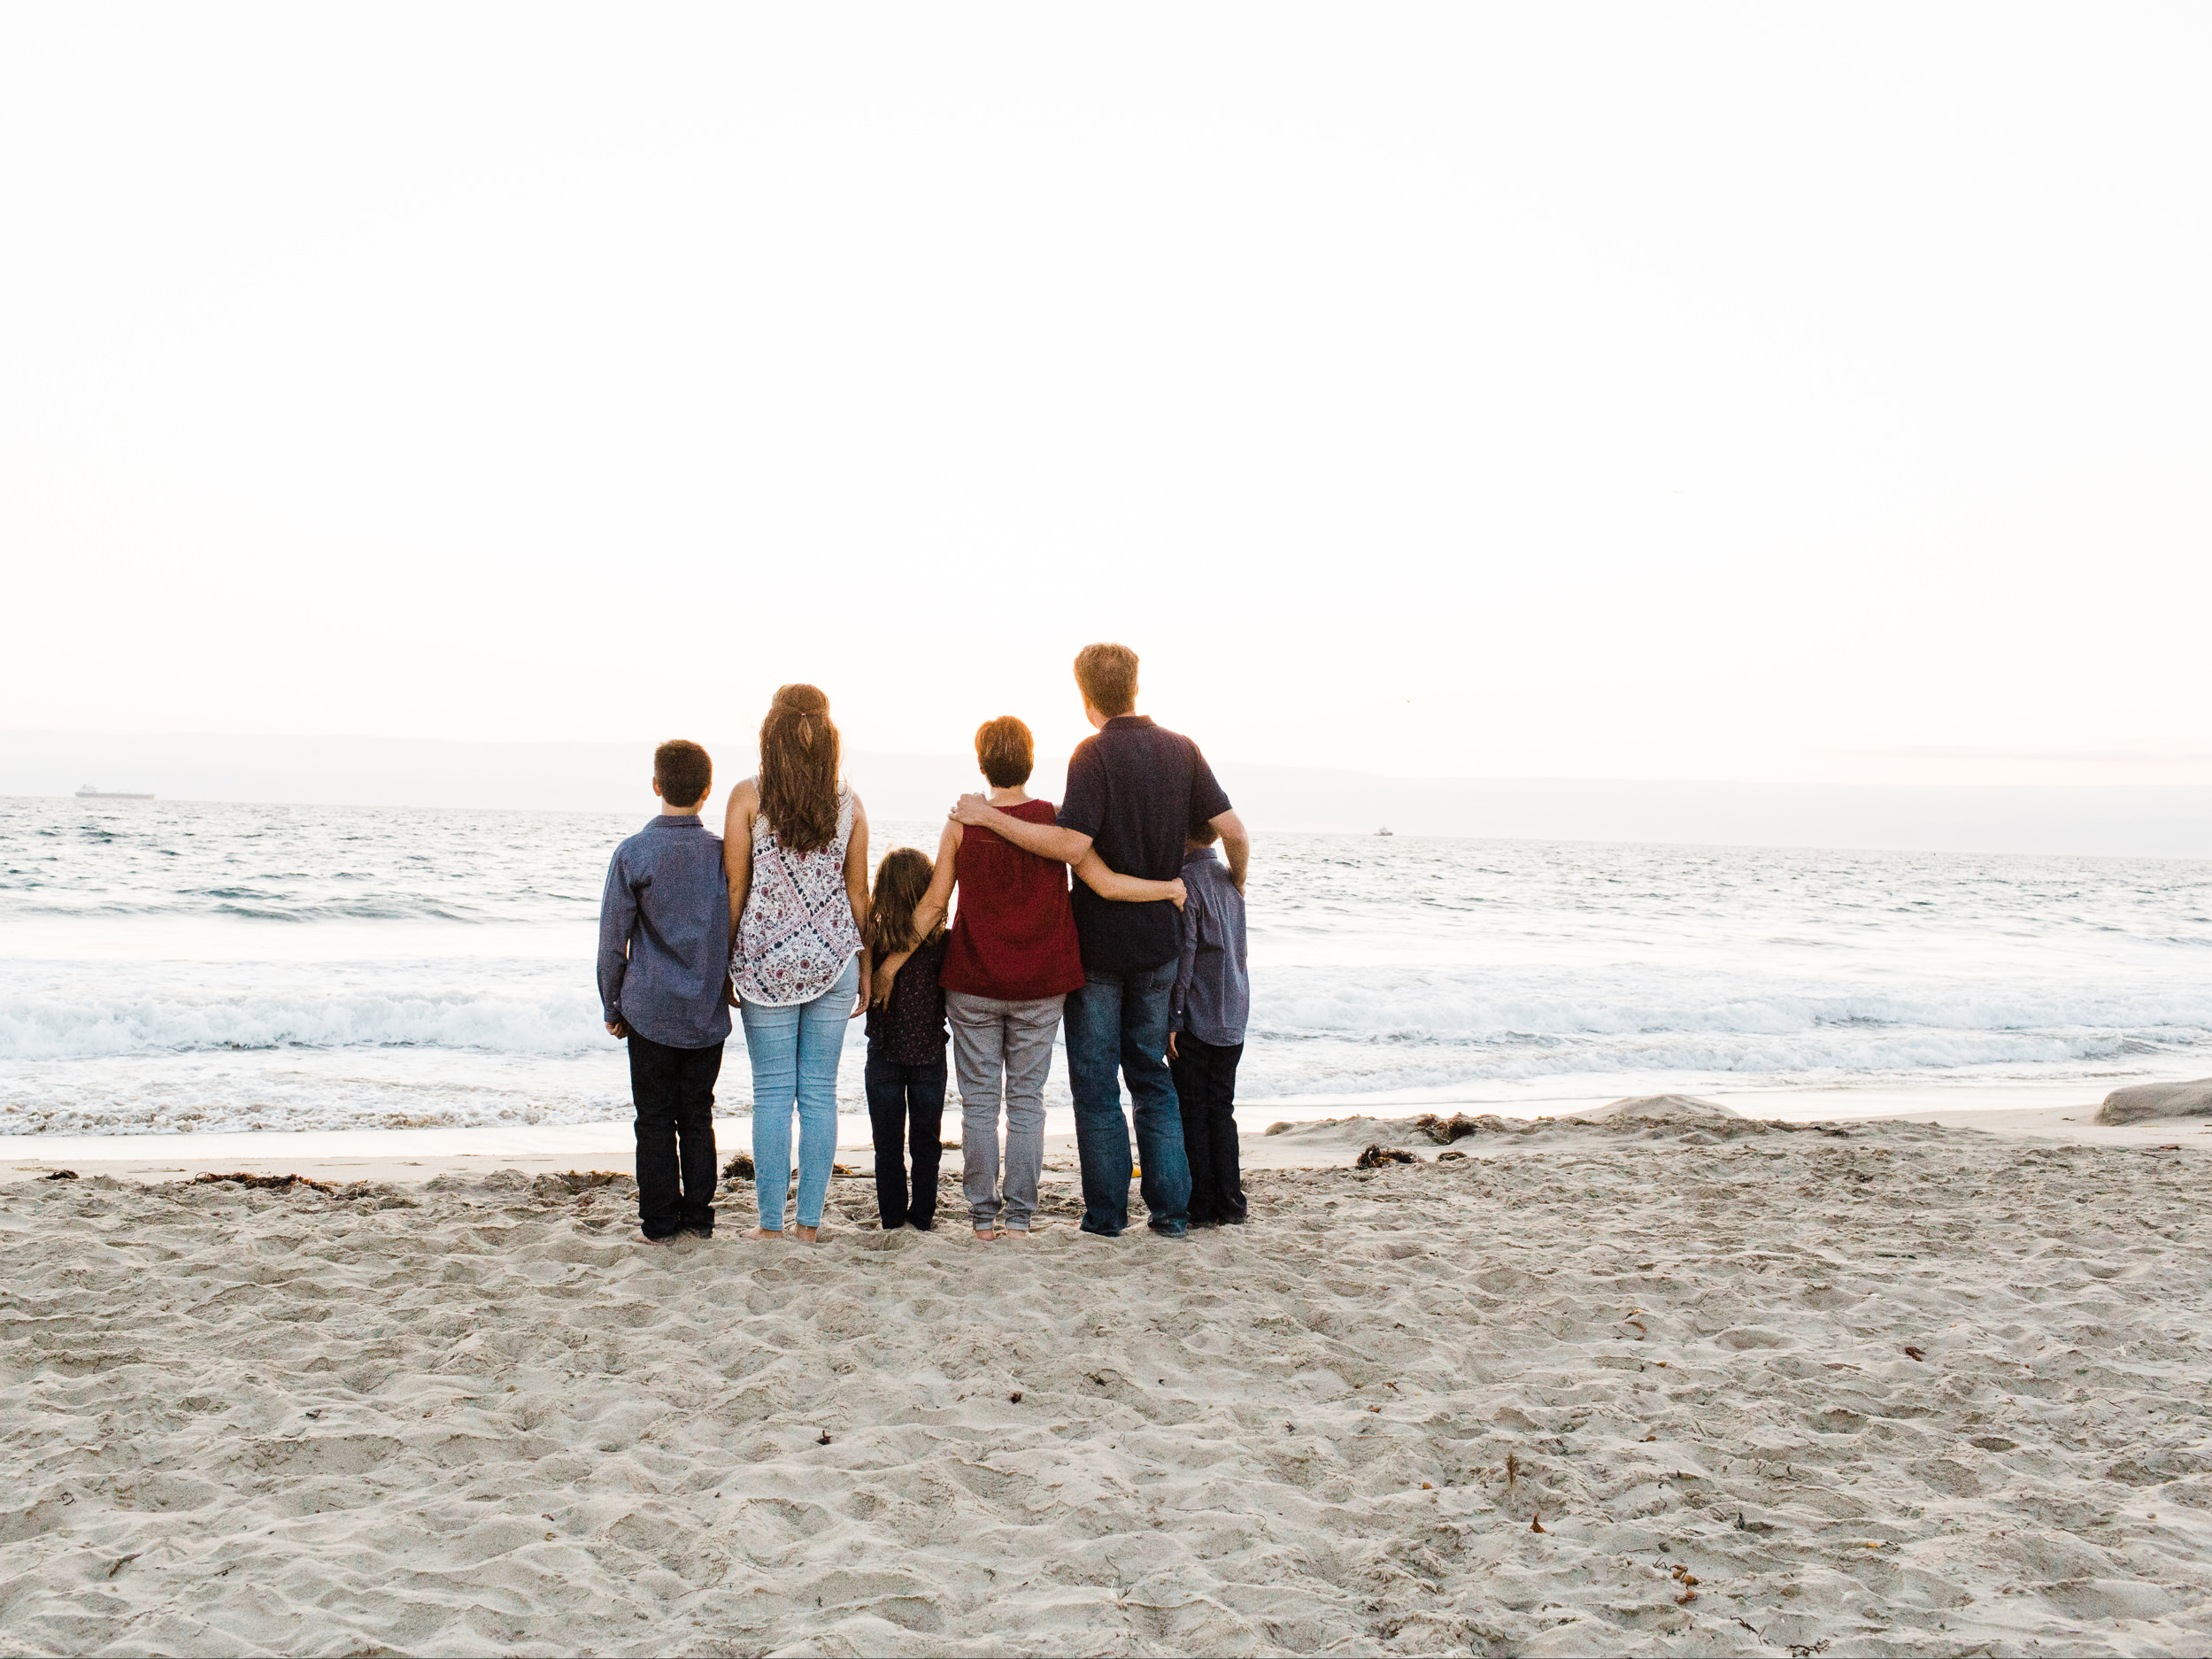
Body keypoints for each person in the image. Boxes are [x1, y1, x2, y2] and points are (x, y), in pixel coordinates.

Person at [952, 644, 1248, 1238]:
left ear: (1082, 692)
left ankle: (1107, 1218)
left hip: (1099, 944)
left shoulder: (1092, 754)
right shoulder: (1181, 748)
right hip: (1160, 941)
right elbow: (1234, 832)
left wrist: (988, 819)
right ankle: (1170, 1216)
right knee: (1151, 1077)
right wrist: (1232, 886)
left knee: (1095, 1085)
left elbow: (1068, 847)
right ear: (1136, 685)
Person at [906, 715, 1184, 1240]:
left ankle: (983, 1220)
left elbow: (934, 906)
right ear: (1030, 762)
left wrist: (889, 957)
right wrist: (1167, 888)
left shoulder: (964, 822)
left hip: (972, 983)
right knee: (1028, 1101)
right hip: (1039, 984)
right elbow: (1102, 882)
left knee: (981, 1103)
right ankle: (1019, 1218)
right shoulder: (1055, 824)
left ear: (982, 763)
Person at [725, 684, 869, 1245]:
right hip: (834, 961)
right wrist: (867, 963)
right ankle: (809, 1224)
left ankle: (770, 1225)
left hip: (765, 965)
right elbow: (858, 896)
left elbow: (737, 889)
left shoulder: (747, 798)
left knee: (771, 1093)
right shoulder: (849, 803)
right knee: (818, 1093)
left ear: (772, 733)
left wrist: (723, 964)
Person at [596, 739, 730, 1246]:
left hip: (649, 1009)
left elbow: (612, 940)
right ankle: (698, 1218)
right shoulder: (723, 855)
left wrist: (612, 1003)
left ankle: (658, 1223)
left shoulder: (633, 853)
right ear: (707, 792)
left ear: (656, 786)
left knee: (653, 1118)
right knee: (697, 1114)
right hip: (705, 1011)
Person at [859, 846, 948, 1232]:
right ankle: (923, 1217)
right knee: (927, 1144)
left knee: (888, 1146)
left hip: (884, 1054)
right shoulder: (942, 942)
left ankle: (892, 1219)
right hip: (929, 1054)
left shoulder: (874, 940)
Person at [1168, 814, 1250, 1225]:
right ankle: (1231, 1203)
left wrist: (1174, 1018)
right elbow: (1240, 951)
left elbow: (1186, 957)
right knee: (1222, 1109)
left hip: (1198, 1016)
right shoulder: (1232, 881)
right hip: (1233, 1012)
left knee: (1193, 1111)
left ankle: (1201, 1205)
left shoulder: (1188, 882)